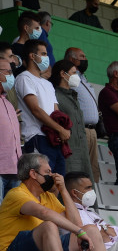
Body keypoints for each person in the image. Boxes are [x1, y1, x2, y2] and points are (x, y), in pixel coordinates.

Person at [0, 154, 113, 251]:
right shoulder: (16, 194)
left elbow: (77, 223)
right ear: (33, 173)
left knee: (91, 230)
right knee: (49, 226)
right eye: (48, 172)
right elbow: (44, 213)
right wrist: (79, 231)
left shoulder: (48, 197)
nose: (53, 175)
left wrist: (63, 190)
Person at [16, 40, 70, 174]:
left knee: (57, 181)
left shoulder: (48, 84)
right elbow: (35, 110)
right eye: (43, 54)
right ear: (32, 56)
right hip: (36, 137)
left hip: (53, 138)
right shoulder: (24, 78)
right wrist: (60, 129)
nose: (47, 58)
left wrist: (61, 129)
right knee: (42, 180)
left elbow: (56, 112)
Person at [50, 60, 91, 181]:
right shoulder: (55, 95)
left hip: (82, 149)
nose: (77, 77)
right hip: (68, 151)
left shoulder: (73, 96)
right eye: (74, 73)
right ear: (63, 74)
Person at [63, 48, 100, 182]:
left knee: (93, 167)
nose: (85, 59)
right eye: (82, 56)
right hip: (80, 129)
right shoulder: (71, 78)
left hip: (92, 130)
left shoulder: (83, 78)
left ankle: (92, 198)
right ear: (72, 59)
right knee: (82, 167)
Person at [0, 57, 21, 201]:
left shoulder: (8, 103)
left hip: (15, 170)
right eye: (7, 71)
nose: (10, 75)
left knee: (10, 219)